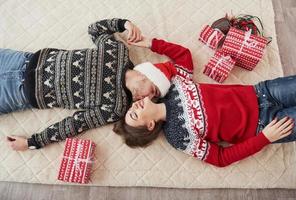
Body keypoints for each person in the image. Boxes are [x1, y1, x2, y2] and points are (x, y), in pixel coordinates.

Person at [113, 37, 296, 167]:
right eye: (135, 114)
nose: (134, 105)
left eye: (130, 109)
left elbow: (183, 56)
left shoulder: (172, 87)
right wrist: (265, 138)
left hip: (262, 92)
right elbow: (220, 158)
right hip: (266, 124)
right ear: (150, 125)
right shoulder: (177, 137)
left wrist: (151, 44)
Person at [4, 18, 174, 151]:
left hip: (19, 93)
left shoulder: (116, 107)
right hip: (22, 60)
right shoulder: (118, 51)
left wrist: (33, 142)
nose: (146, 98)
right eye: (153, 91)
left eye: (153, 98)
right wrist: (125, 24)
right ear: (147, 74)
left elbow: (76, 124)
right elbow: (95, 29)